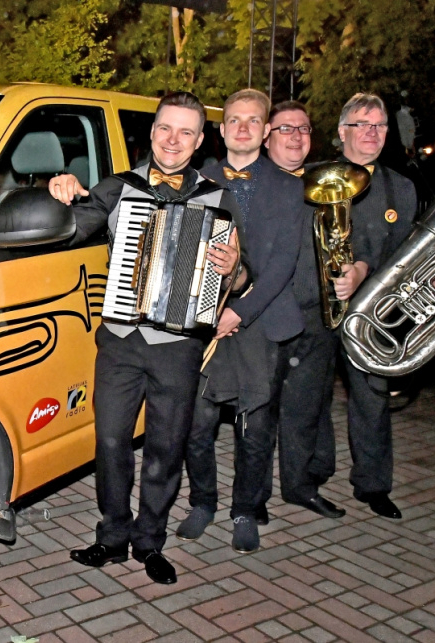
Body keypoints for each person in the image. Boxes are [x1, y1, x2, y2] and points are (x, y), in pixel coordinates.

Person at [47, 92, 242, 584]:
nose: (173, 140)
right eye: (165, 128)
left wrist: (233, 269)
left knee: (165, 448)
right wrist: (59, 191)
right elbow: (70, 229)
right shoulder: (119, 187)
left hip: (179, 346)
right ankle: (112, 536)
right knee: (111, 441)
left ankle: (150, 541)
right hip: (121, 340)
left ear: (199, 141)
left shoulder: (218, 198)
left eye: (185, 132)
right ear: (152, 132)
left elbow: (240, 276)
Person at [287, 93, 435, 521]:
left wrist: (431, 278)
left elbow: (405, 256)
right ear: (341, 132)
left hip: (372, 314)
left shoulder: (400, 187)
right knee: (310, 397)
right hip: (315, 308)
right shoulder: (309, 177)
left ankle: (374, 485)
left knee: (372, 399)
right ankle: (313, 471)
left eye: (379, 125)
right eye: (361, 124)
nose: (371, 132)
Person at [176, 89, 304, 553]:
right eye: (234, 120)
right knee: (197, 423)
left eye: (253, 121)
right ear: (222, 128)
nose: (243, 128)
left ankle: (245, 510)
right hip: (205, 321)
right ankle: (202, 502)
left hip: (262, 319)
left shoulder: (291, 187)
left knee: (255, 428)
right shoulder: (196, 180)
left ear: (266, 130)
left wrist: (239, 311)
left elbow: (284, 265)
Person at [261, 101, 350, 520]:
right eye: (286, 129)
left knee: (305, 407)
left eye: (304, 129)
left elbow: (343, 245)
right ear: (267, 136)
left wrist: (352, 270)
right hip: (266, 313)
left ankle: (299, 487)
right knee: (259, 412)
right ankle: (252, 499)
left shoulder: (326, 185)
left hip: (315, 314)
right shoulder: (254, 182)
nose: (296, 136)